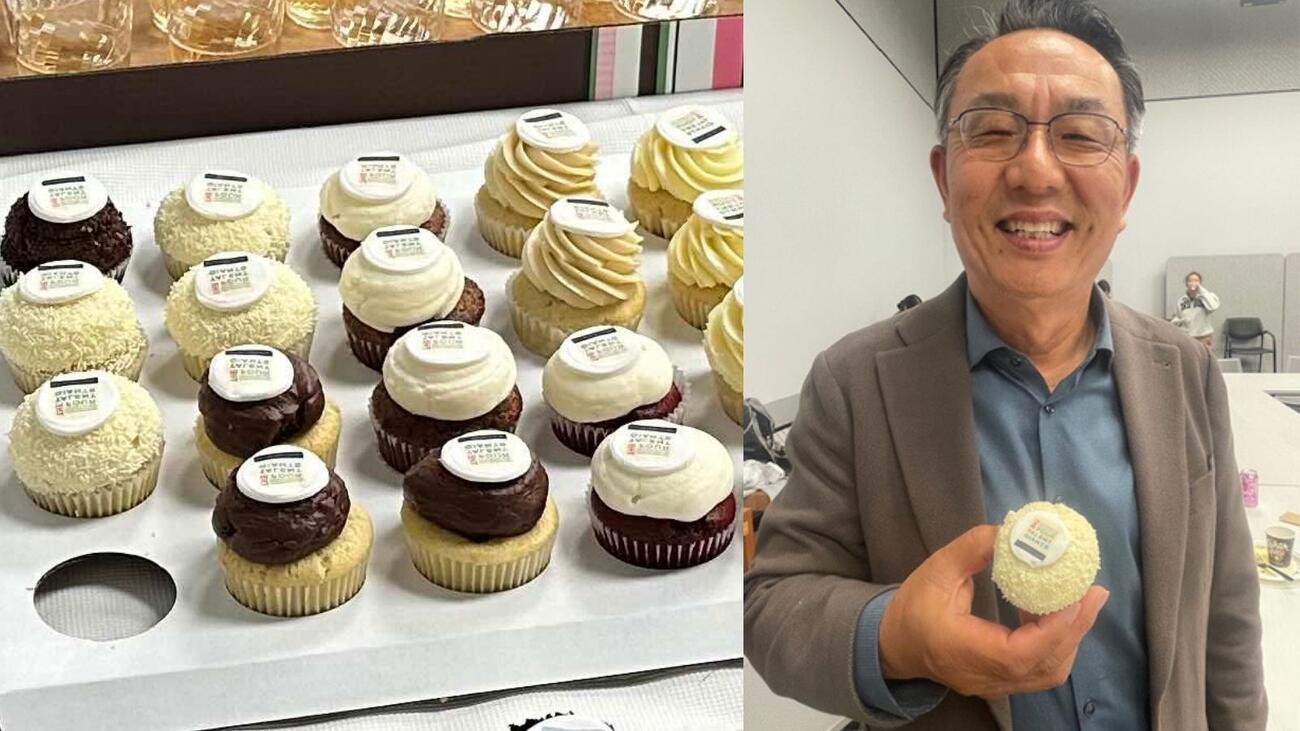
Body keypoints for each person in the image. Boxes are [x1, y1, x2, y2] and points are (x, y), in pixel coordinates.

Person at [744, 2, 1266, 730]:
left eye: (1081, 135)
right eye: (992, 131)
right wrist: (898, 637)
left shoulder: (1186, 370)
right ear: (942, 178)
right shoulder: (855, 381)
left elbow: (1227, 614)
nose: (1034, 170)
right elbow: (773, 603)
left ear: (1128, 190)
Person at [1171, 271, 1221, 349]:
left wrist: (1201, 291)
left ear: (1200, 283)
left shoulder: (1208, 297)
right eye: (1190, 281)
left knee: (1204, 360)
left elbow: (1212, 307)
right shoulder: (1182, 300)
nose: (1193, 283)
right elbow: (1178, 316)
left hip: (1204, 337)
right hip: (1188, 337)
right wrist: (1177, 322)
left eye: (1196, 280)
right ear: (1186, 283)